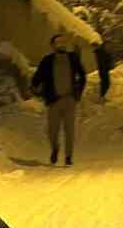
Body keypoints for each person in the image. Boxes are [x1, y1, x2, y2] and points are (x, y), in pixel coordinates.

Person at [29, 34, 86, 165]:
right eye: (58, 42)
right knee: (52, 131)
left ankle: (68, 156)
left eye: (63, 42)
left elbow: (82, 75)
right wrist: (33, 86)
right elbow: (38, 76)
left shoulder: (73, 58)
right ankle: (55, 148)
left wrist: (78, 93)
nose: (61, 44)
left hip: (69, 99)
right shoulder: (47, 60)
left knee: (69, 130)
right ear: (53, 46)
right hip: (54, 100)